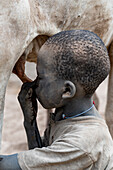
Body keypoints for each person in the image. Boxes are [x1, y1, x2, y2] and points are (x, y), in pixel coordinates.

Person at [0, 30, 113, 170]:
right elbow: (41, 162)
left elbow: (5, 165)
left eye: (40, 77)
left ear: (66, 91)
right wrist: (30, 123)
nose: (34, 83)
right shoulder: (68, 115)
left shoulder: (84, 142)